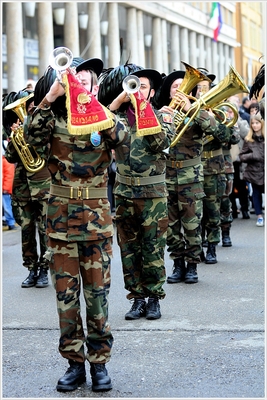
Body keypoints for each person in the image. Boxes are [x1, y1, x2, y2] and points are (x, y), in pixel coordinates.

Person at [26, 55, 127, 392]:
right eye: (75, 79)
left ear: (95, 86)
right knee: (65, 298)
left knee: (97, 296)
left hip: (96, 221)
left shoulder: (103, 118)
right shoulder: (52, 119)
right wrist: (51, 95)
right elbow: (29, 135)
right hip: (60, 223)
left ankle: (100, 364)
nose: (81, 84)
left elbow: (124, 138)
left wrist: (97, 109)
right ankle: (74, 364)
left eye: (86, 80)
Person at [98, 64, 174, 319]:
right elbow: (97, 127)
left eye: (143, 87)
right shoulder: (117, 120)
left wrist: (143, 111)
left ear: (152, 93)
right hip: (124, 194)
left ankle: (154, 298)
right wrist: (119, 100)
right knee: (129, 250)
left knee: (153, 249)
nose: (138, 91)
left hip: (153, 197)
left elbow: (161, 143)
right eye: (134, 86)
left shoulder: (163, 117)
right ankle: (137, 298)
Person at [156, 67, 218, 283]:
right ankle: (177, 263)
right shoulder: (161, 111)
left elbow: (216, 129)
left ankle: (192, 265)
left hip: (191, 176)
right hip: (167, 175)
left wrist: (192, 109)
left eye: (183, 86)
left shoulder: (199, 109)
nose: (179, 90)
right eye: (175, 87)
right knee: (171, 225)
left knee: (192, 223)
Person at [3, 90, 51, 288]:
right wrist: (15, 138)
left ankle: (44, 270)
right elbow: (11, 158)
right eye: (27, 105)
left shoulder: (44, 126)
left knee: (44, 230)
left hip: (43, 185)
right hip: (23, 187)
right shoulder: (17, 128)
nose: (29, 108)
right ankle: (31, 269)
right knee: (27, 231)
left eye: (31, 104)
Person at [196, 70, 232, 264]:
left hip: (214, 167)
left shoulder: (219, 109)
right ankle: (198, 246)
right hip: (193, 168)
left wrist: (212, 120)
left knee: (213, 209)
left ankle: (212, 246)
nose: (201, 89)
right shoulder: (189, 108)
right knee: (195, 212)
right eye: (198, 86)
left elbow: (230, 137)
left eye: (204, 86)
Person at [219, 104, 241, 247]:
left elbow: (235, 138)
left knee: (225, 201)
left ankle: (226, 232)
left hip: (224, 165)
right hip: (204, 165)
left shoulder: (225, 112)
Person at [239, 114, 265, 226]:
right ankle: (259, 216)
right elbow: (242, 156)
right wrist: (252, 155)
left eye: (257, 123)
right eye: (252, 123)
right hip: (254, 171)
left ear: (262, 123)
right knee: (256, 193)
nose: (254, 125)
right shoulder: (248, 139)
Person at [2, 139, 17, 230]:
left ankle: (11, 222)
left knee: (7, 206)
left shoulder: (5, 161)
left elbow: (8, 176)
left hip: (5, 189)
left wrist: (5, 188)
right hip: (6, 187)